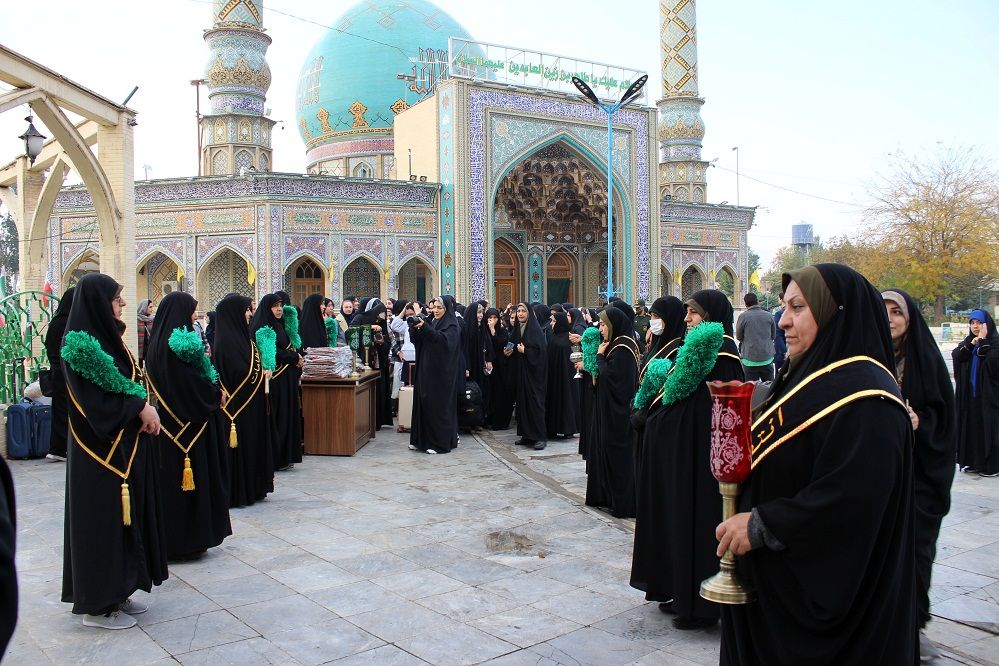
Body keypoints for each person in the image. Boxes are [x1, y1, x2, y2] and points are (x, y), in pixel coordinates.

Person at [717, 264, 916, 664]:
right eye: (784, 307)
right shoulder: (809, 374)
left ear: (834, 313)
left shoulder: (869, 401)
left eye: (798, 307)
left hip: (826, 622)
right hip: (771, 597)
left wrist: (764, 524)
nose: (783, 321)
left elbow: (852, 502)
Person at [630, 289, 744, 630]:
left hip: (698, 461)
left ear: (710, 315)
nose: (687, 319)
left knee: (696, 526)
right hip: (681, 456)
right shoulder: (696, 349)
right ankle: (680, 592)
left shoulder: (722, 355)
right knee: (677, 524)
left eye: (693, 312)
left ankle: (699, 606)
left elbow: (711, 413)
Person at [60, 273, 166, 629]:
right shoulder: (79, 347)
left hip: (124, 449)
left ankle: (120, 591)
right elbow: (98, 404)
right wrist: (140, 408)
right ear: (98, 302)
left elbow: (127, 384)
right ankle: (98, 605)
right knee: (102, 525)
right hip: (100, 457)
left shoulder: (107, 340)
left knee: (125, 522)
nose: (122, 304)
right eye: (116, 298)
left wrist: (142, 407)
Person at [883, 289, 956, 659]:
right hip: (882, 478)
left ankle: (913, 623)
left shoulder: (925, 362)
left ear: (910, 318)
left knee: (915, 551)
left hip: (920, 478)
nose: (889, 318)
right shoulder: (871, 358)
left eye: (897, 312)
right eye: (883, 310)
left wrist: (919, 422)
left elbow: (946, 421)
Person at [144, 291, 231, 560]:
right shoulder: (174, 346)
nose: (195, 316)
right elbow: (188, 384)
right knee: (186, 488)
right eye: (192, 310)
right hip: (188, 427)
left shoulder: (159, 342)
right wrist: (214, 394)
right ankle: (187, 541)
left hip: (172, 428)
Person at [213, 293, 274, 507]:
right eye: (246, 310)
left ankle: (255, 487)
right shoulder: (225, 341)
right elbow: (236, 373)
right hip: (237, 410)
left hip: (252, 407)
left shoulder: (245, 339)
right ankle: (240, 491)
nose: (249, 314)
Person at [585, 306, 639, 517]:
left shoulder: (623, 348)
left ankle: (621, 503)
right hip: (610, 410)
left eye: (603, 325)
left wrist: (599, 357)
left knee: (618, 458)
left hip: (618, 414)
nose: (600, 329)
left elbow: (610, 379)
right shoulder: (616, 345)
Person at [250, 293, 303, 471]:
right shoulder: (262, 326)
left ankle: (287, 455)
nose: (279, 309)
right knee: (279, 418)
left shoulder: (280, 325)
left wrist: (296, 357)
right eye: (275, 306)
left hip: (287, 379)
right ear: (267, 308)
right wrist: (294, 357)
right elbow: (274, 352)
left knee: (288, 416)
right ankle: (277, 458)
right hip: (275, 381)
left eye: (280, 305)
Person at [409, 296, 460, 454]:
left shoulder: (452, 325)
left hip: (441, 376)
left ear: (447, 309)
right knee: (423, 403)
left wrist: (426, 327)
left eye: (439, 308)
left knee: (437, 407)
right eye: (434, 307)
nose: (436, 311)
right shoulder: (433, 321)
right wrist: (415, 329)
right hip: (426, 371)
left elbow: (442, 342)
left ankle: (439, 444)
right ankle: (421, 440)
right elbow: (422, 341)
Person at [954, 309, 999, 476]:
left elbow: (994, 366)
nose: (975, 326)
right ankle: (974, 462)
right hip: (971, 397)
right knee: (973, 429)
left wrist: (984, 343)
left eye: (979, 323)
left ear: (987, 325)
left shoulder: (995, 343)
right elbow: (957, 356)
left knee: (990, 430)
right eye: (972, 323)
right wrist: (972, 345)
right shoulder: (969, 342)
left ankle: (992, 466)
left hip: (990, 397)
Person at [44, 287, 75, 462]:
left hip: (56, 373)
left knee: (59, 411)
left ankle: (57, 448)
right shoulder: (68, 323)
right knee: (66, 411)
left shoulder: (55, 322)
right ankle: (61, 449)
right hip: (66, 374)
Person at [511, 303, 548, 450]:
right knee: (523, 403)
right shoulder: (517, 329)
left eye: (523, 311)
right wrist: (509, 350)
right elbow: (512, 344)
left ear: (529, 314)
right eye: (518, 311)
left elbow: (541, 353)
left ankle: (540, 437)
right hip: (522, 374)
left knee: (535, 404)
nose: (520, 314)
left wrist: (526, 351)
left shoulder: (535, 330)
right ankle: (526, 435)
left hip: (534, 376)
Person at [353, 298, 394, 429]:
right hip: (364, 361)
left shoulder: (381, 323)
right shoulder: (360, 317)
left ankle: (378, 420)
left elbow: (387, 342)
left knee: (380, 391)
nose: (379, 319)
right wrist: (369, 328)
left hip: (379, 362)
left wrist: (382, 343)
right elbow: (352, 330)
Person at [546, 311, 578, 439]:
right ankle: (553, 428)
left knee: (566, 401)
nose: (552, 324)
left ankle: (567, 428)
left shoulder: (570, 338)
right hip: (555, 377)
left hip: (567, 378)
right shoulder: (553, 337)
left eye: (554, 321)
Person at [485, 308, 515, 430]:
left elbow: (500, 344)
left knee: (500, 393)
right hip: (488, 366)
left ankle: (500, 421)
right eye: (490, 318)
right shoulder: (483, 330)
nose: (492, 320)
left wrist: (493, 331)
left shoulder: (502, 331)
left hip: (500, 367)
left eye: (495, 318)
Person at [735, 292, 776, 382]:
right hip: (767, 358)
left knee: (750, 388)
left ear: (745, 304)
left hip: (749, 360)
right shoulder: (769, 315)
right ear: (757, 302)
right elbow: (773, 336)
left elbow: (738, 337)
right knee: (769, 387)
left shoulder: (743, 317)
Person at [136, 298, 154, 366]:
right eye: (150, 307)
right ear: (144, 307)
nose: (152, 309)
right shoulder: (136, 320)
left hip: (149, 350)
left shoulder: (152, 319)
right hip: (139, 350)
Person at [772, 292, 787, 370]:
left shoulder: (778, 313)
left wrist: (784, 351)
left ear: (781, 299)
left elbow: (777, 334)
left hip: (781, 351)